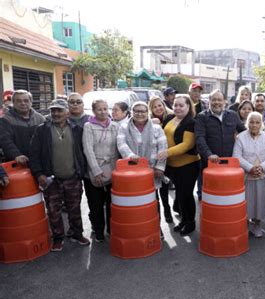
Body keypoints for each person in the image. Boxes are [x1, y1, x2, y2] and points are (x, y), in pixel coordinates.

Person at [29, 99, 90, 252]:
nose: (56, 113)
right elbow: (34, 154)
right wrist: (39, 174)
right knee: (53, 210)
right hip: (51, 179)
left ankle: (77, 234)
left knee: (74, 208)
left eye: (59, 110)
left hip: (73, 177)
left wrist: (80, 172)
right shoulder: (42, 130)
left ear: (67, 112)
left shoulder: (77, 129)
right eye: (53, 111)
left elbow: (83, 151)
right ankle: (57, 238)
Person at [117, 101, 168, 237]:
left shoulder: (156, 128)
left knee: (153, 201)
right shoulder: (123, 127)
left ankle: (157, 228)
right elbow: (121, 144)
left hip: (152, 171)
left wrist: (160, 167)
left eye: (143, 111)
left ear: (148, 113)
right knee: (135, 202)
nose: (140, 114)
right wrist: (130, 156)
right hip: (131, 172)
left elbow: (163, 147)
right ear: (132, 112)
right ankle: (138, 228)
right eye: (137, 111)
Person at [158, 95, 200, 235]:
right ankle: (184, 220)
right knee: (179, 195)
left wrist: (167, 152)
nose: (177, 108)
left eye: (181, 105)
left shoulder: (191, 123)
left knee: (187, 195)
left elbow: (187, 145)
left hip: (188, 165)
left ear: (189, 107)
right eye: (175, 105)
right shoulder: (169, 118)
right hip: (171, 165)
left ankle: (190, 223)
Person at [233, 112, 265, 237]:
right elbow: (236, 156)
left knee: (260, 201)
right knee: (246, 201)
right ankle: (245, 224)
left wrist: (262, 167)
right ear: (247, 123)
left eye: (257, 122)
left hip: (263, 175)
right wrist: (250, 168)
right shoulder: (241, 137)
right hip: (246, 175)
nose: (254, 125)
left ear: (261, 124)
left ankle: (257, 224)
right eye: (251, 122)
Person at [82, 99, 119, 242]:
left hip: (113, 169)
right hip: (95, 169)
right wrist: (96, 170)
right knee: (96, 204)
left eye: (105, 108)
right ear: (93, 111)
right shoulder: (88, 126)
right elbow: (88, 149)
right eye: (99, 109)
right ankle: (98, 230)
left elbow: (118, 147)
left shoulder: (114, 126)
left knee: (112, 202)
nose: (103, 112)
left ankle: (111, 229)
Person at [195, 89, 246, 169]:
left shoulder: (232, 115)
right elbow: (199, 138)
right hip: (209, 163)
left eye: (219, 100)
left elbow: (244, 131)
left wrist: (261, 133)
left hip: (230, 162)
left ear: (224, 101)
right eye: (214, 100)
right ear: (209, 101)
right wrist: (209, 154)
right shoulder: (202, 117)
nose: (217, 102)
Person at [0, 90, 45, 164]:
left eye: (26, 100)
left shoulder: (40, 119)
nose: (23, 103)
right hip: (17, 163)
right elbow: (6, 141)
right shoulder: (5, 120)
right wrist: (16, 155)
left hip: (39, 161)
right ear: (13, 103)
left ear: (31, 102)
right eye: (18, 101)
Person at [149, 96, 174, 223]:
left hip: (170, 157)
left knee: (165, 188)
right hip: (156, 159)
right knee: (156, 189)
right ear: (151, 109)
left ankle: (167, 209)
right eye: (155, 106)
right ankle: (160, 214)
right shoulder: (149, 122)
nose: (158, 108)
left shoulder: (171, 118)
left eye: (160, 105)